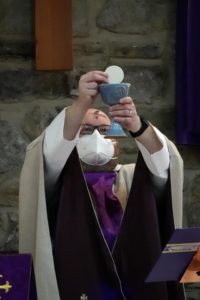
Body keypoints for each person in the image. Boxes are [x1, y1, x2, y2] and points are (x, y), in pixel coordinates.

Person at [19, 71, 185, 300]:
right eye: (86, 129)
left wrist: (138, 126)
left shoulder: (130, 177)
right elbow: (46, 154)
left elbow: (166, 166)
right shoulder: (58, 178)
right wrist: (81, 103)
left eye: (105, 131)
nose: (97, 138)